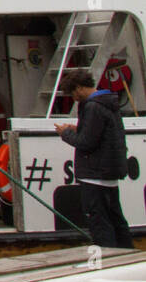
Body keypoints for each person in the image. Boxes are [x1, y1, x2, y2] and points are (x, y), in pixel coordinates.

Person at [56, 70, 133, 248]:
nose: (74, 98)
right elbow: (101, 134)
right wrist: (77, 128)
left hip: (94, 175)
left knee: (99, 223)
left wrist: (65, 133)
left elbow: (86, 143)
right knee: (117, 220)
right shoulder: (107, 103)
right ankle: (128, 255)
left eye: (73, 93)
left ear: (80, 88)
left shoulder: (92, 107)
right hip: (109, 174)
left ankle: (109, 260)